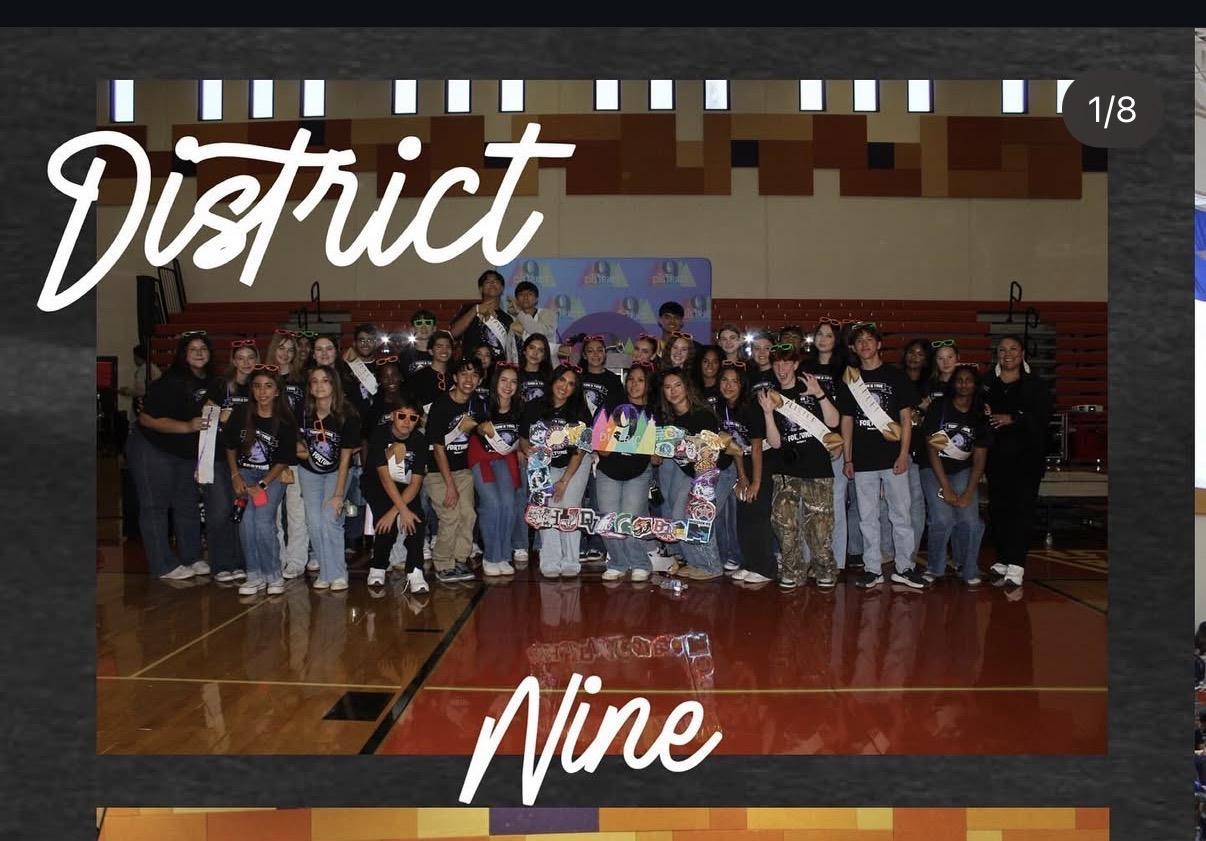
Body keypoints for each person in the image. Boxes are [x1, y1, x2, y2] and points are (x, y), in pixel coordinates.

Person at [840, 322, 925, 590]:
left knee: (901, 515)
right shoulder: (850, 379)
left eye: (869, 339)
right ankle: (872, 569)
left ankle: (905, 567)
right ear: (854, 348)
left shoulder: (895, 376)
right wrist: (848, 458)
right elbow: (846, 421)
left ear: (879, 344)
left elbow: (906, 419)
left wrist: (904, 454)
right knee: (867, 518)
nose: (865, 344)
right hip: (863, 460)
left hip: (892, 458)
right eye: (859, 341)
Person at [127, 332, 215, 580]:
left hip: (184, 451)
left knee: (187, 503)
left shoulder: (213, 382)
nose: (199, 353)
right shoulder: (170, 381)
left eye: (203, 349)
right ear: (183, 354)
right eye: (192, 349)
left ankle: (192, 557)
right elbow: (146, 418)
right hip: (152, 447)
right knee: (155, 506)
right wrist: (187, 426)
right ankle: (163, 565)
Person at [760, 346, 840, 588]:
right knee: (784, 525)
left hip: (817, 468)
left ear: (795, 365)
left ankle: (824, 569)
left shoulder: (811, 387)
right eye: (776, 364)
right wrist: (768, 413)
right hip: (786, 471)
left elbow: (834, 421)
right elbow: (774, 443)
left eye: (786, 363)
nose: (781, 368)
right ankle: (792, 570)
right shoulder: (771, 396)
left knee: (820, 527)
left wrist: (820, 395)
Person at [983, 334, 1052, 588]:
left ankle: (1017, 563)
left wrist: (1013, 418)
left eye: (1013, 349)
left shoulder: (1036, 385)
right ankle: (1003, 559)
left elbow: (1043, 418)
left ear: (1022, 354)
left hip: (1027, 459)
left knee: (1021, 510)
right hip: (996, 459)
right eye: (1002, 350)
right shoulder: (987, 383)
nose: (1007, 354)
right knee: (998, 509)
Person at [225, 368, 299, 596]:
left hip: (272, 476)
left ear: (277, 391)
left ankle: (273, 574)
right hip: (245, 473)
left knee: (263, 521)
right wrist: (235, 475)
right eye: (257, 386)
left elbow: (283, 459)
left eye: (268, 386)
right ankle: (254, 574)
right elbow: (230, 446)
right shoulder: (241, 414)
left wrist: (263, 485)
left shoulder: (285, 420)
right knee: (246, 522)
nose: (262, 391)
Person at [520, 363, 593, 578]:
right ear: (553, 380)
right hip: (544, 463)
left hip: (575, 463)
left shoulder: (580, 411)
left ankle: (570, 559)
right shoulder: (534, 407)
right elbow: (523, 438)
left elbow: (580, 450)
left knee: (569, 506)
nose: (564, 387)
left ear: (575, 389)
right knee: (548, 506)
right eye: (562, 380)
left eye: (571, 384)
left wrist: (564, 481)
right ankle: (551, 558)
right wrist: (527, 450)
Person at [657, 367, 730, 581]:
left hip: (718, 471)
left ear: (687, 387)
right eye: (668, 387)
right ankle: (696, 563)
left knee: (699, 514)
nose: (673, 391)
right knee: (678, 516)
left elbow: (710, 457)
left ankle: (711, 566)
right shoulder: (669, 422)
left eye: (677, 385)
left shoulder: (702, 415)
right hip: (693, 475)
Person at [920, 364, 989, 585]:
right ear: (953, 384)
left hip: (963, 470)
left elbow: (979, 457)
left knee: (970, 521)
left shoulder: (980, 413)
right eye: (959, 380)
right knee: (942, 519)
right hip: (933, 468)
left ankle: (967, 568)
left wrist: (969, 491)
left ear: (975, 385)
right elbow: (932, 449)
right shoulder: (939, 407)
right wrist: (946, 487)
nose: (964, 384)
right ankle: (935, 567)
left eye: (969, 380)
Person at [297, 364, 361, 591]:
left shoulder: (348, 415)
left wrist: (338, 494)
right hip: (309, 471)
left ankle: (338, 572)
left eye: (325, 381)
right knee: (314, 522)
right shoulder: (303, 412)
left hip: (338, 472)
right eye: (314, 381)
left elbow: (345, 458)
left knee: (330, 517)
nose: (319, 386)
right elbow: (292, 435)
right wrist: (298, 445)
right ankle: (326, 571)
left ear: (334, 384)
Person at [424, 357, 486, 583]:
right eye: (464, 374)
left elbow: (482, 429)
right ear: (455, 377)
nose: (469, 379)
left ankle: (460, 559)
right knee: (450, 515)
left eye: (474, 375)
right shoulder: (441, 405)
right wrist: (449, 485)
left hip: (463, 469)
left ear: (480, 380)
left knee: (468, 514)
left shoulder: (477, 402)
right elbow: (437, 448)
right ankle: (443, 562)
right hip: (437, 472)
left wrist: (483, 428)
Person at [202, 339, 259, 583]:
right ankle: (221, 564)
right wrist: (219, 416)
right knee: (220, 510)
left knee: (241, 509)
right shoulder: (221, 385)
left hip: (247, 458)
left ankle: (240, 562)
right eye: (241, 358)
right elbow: (205, 416)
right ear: (233, 361)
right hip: (217, 455)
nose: (246, 362)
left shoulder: (258, 386)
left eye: (251, 357)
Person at [361, 398, 430, 593]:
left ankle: (415, 571)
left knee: (416, 520)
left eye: (412, 418)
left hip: (405, 486)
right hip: (377, 484)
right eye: (401, 416)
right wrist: (397, 512)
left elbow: (416, 482)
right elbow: (384, 478)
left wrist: (400, 511)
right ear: (392, 416)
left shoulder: (419, 440)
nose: (406, 421)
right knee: (387, 522)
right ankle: (378, 566)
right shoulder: (380, 434)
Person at [597, 362, 657, 582]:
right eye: (630, 379)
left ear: (648, 384)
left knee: (630, 518)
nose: (634, 384)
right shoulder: (613, 404)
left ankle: (640, 562)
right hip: (608, 471)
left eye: (640, 380)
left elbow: (658, 455)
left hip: (638, 473)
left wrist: (656, 452)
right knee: (608, 519)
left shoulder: (655, 411)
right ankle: (617, 563)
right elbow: (601, 448)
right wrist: (611, 435)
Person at [468, 363, 525, 576]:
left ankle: (503, 555)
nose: (508, 386)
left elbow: (525, 436)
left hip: (505, 460)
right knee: (492, 504)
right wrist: (477, 427)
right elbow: (465, 426)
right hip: (481, 459)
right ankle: (491, 556)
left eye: (513, 381)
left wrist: (523, 448)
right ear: (495, 382)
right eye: (504, 380)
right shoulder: (480, 404)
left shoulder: (520, 408)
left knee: (509, 504)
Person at [716, 361, 762, 580]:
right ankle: (730, 554)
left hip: (756, 462)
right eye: (724, 380)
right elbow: (731, 446)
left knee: (745, 511)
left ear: (742, 385)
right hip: (732, 463)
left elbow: (756, 448)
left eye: (734, 381)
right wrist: (740, 475)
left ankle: (754, 556)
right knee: (723, 512)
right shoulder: (719, 408)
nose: (729, 385)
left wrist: (750, 480)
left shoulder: (751, 408)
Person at [450, 269, 516, 364]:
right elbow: (453, 333)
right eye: (488, 281)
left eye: (496, 281)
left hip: (496, 369)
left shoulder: (507, 318)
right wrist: (476, 309)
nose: (492, 283)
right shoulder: (469, 309)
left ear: (502, 289)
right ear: (481, 288)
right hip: (472, 367)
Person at [508, 279, 560, 358]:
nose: (525, 297)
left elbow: (541, 334)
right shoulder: (512, 318)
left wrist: (519, 313)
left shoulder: (548, 314)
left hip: (545, 362)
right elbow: (509, 347)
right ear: (516, 300)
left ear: (536, 299)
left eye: (530, 294)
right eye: (521, 294)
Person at [118, 343, 161, 415]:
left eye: (134, 356)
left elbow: (142, 392)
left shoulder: (143, 369)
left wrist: (127, 391)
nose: (134, 359)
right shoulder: (154, 368)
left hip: (147, 408)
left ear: (138, 357)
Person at [401, 308, 437, 375]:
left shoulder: (441, 353)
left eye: (428, 322)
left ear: (434, 328)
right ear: (413, 329)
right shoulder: (404, 355)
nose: (423, 327)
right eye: (419, 323)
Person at [518, 333, 553, 405]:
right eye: (532, 348)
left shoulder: (550, 377)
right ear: (524, 351)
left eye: (540, 350)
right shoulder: (515, 375)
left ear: (544, 356)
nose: (535, 353)